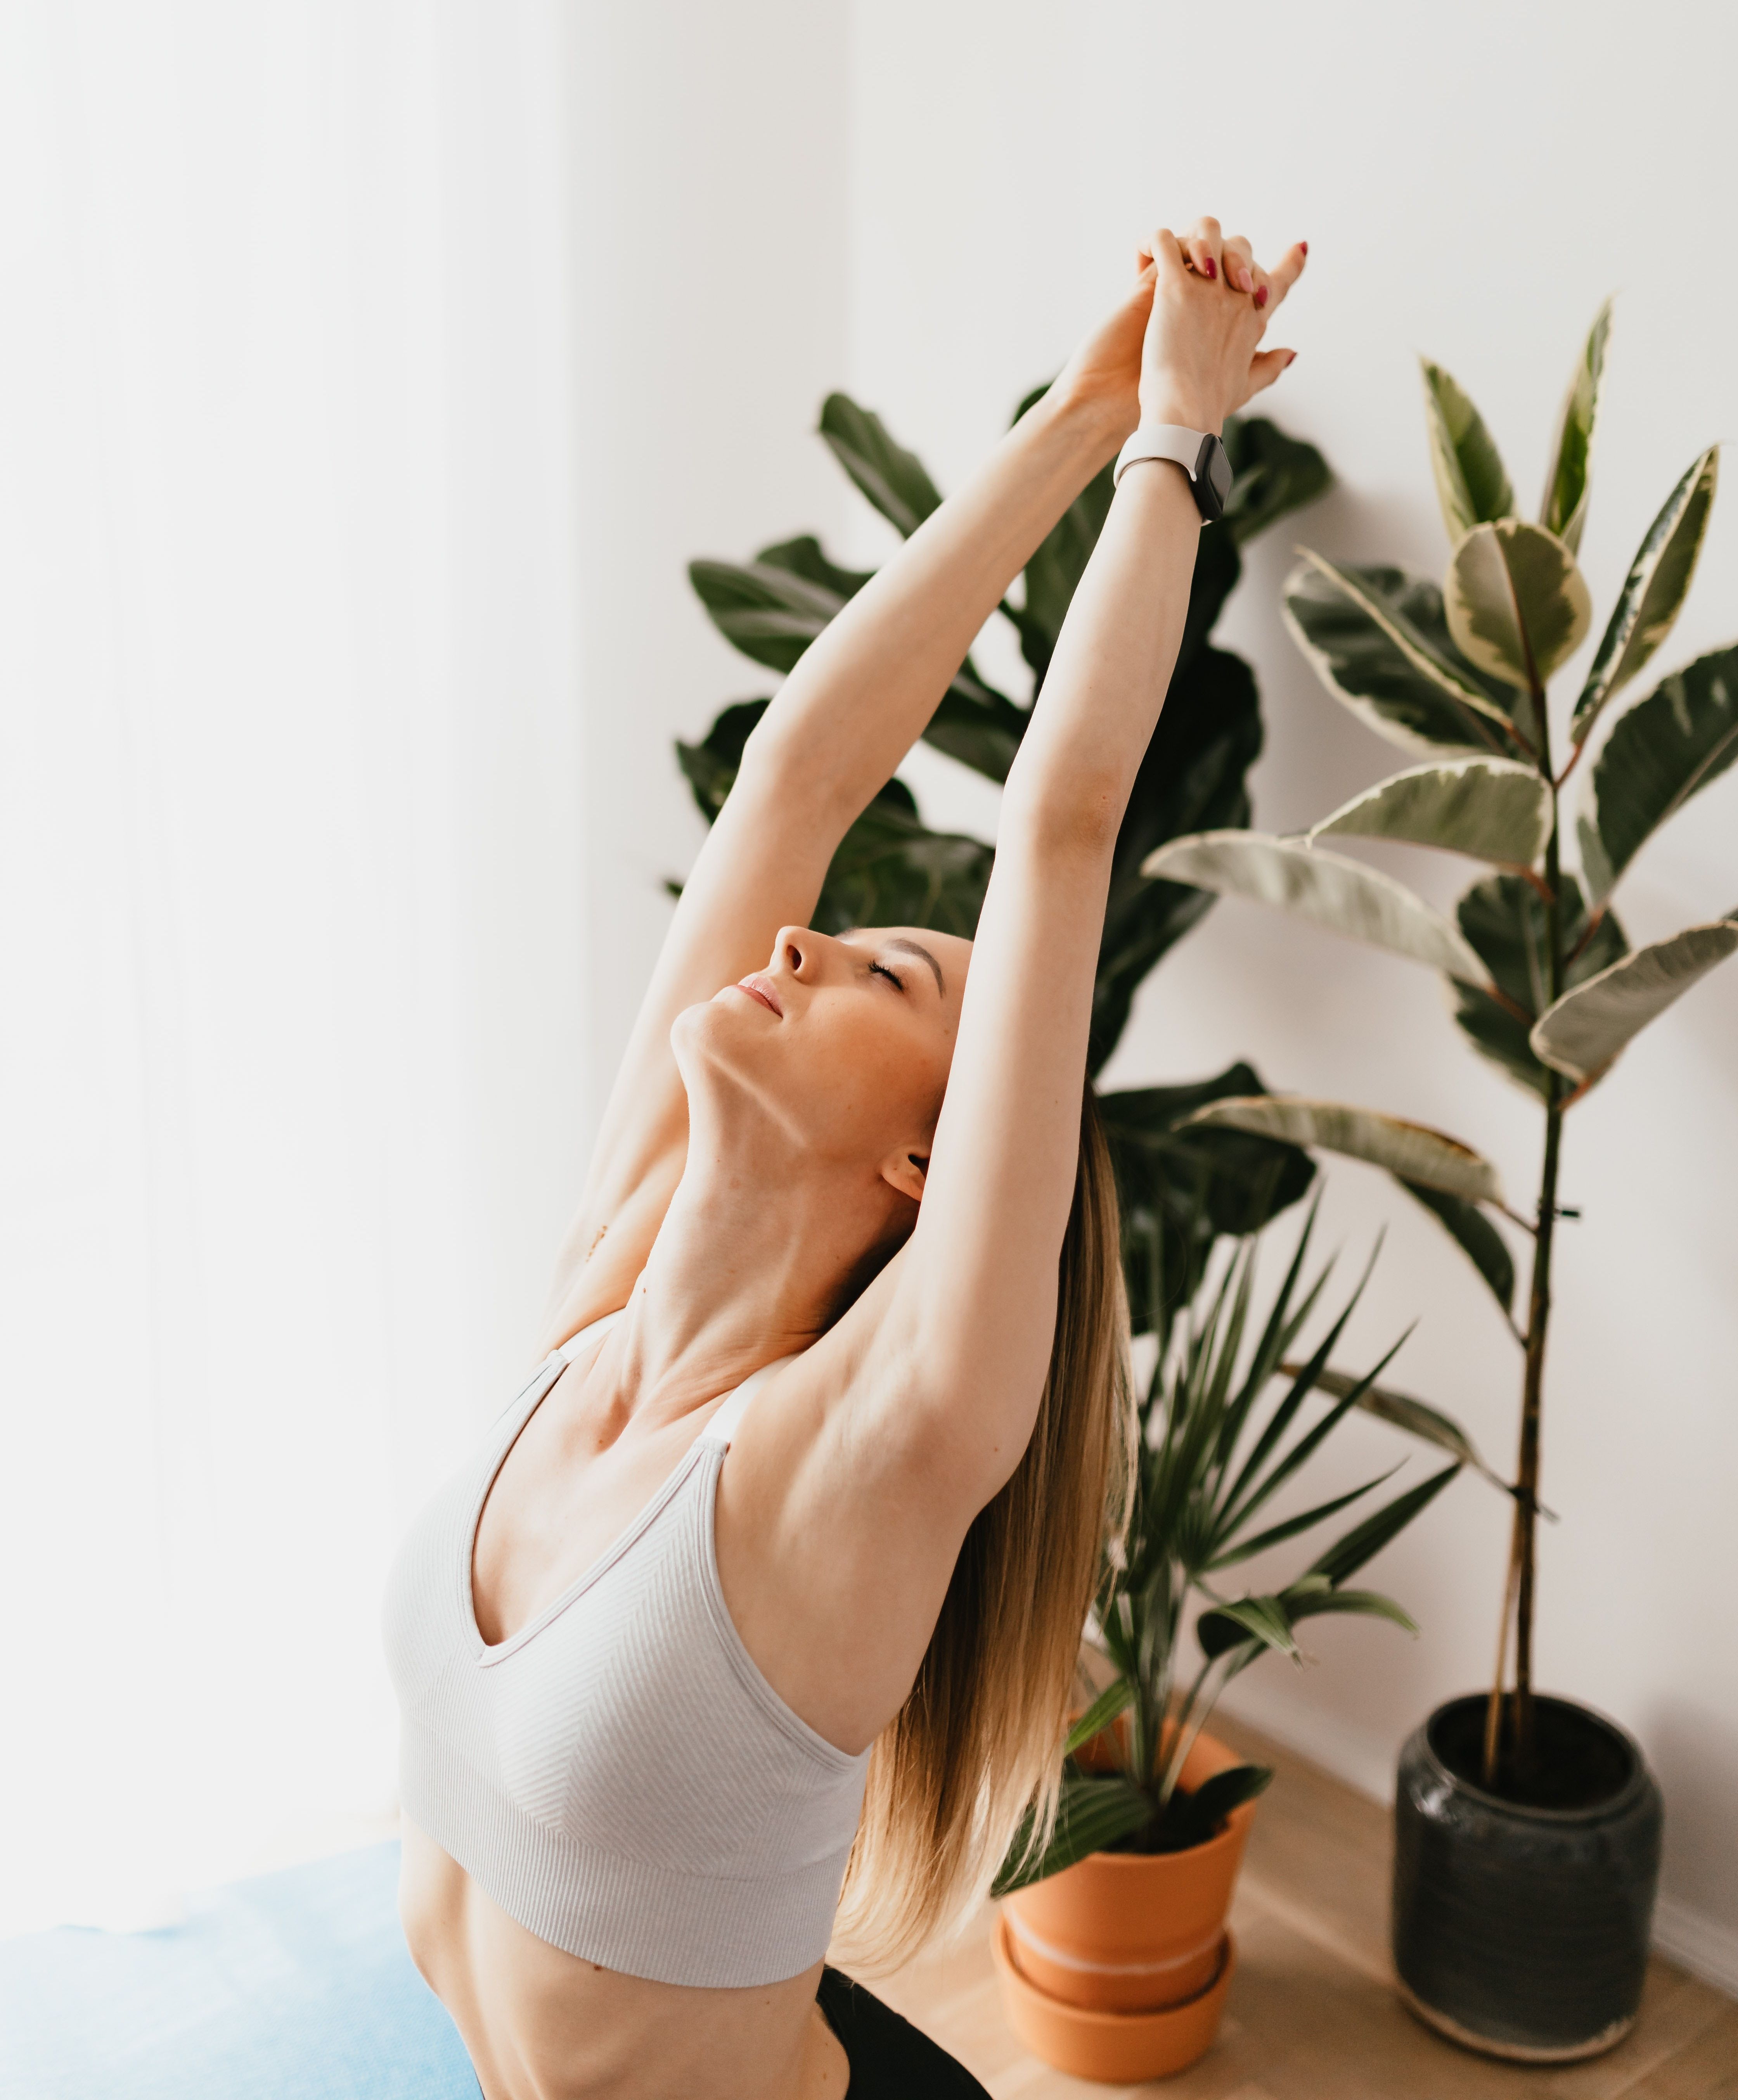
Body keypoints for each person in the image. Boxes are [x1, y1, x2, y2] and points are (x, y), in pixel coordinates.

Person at [383, 215, 1306, 2100]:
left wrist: (1174, 436)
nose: (798, 940)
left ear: (927, 1168)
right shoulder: (605, 1288)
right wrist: (1076, 417)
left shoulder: (863, 1449)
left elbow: (1060, 827)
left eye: (890, 970)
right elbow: (797, 774)